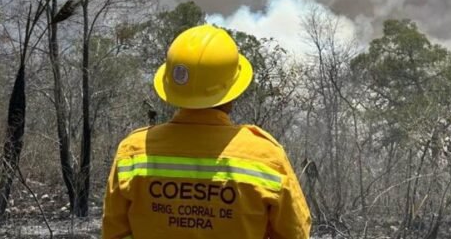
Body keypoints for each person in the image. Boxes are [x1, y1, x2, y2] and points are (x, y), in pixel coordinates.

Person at [102, 24, 311, 238]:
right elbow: (295, 233)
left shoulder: (133, 152)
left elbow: (114, 232)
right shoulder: (265, 157)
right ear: (232, 91)